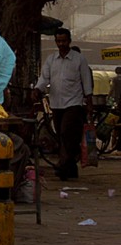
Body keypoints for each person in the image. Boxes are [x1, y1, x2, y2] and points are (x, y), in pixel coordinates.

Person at [32, 28, 93, 181]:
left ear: (69, 41)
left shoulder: (79, 59)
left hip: (74, 104)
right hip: (56, 103)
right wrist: (37, 90)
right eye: (58, 41)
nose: (61, 44)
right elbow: (44, 78)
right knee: (62, 136)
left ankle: (63, 165)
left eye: (64, 41)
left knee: (67, 132)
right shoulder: (51, 60)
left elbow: (86, 82)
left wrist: (89, 103)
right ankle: (70, 168)